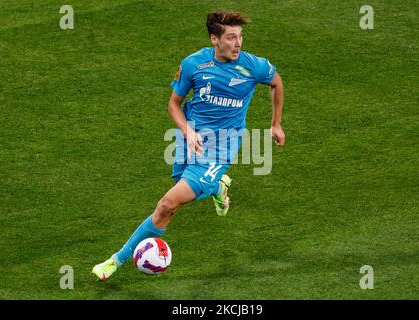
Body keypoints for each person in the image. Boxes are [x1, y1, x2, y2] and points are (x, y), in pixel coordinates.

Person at [92, 10, 285, 281]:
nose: (238, 43)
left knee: (167, 205)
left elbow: (276, 83)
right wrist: (188, 131)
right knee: (180, 181)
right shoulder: (194, 65)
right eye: (231, 37)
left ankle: (116, 260)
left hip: (221, 148)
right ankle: (218, 186)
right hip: (190, 138)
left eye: (240, 36)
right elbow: (174, 103)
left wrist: (275, 123)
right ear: (214, 39)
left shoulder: (254, 66)